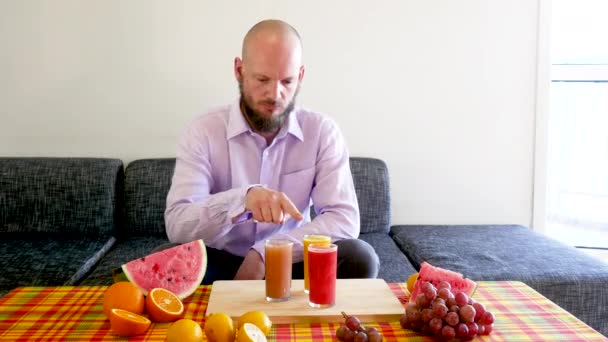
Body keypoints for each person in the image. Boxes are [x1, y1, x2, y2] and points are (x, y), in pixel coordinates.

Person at [164, 19, 379, 285]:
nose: (274, 94)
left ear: (300, 77)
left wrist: (266, 252)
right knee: (163, 260)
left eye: (287, 81)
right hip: (221, 259)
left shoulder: (322, 131)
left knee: (359, 257)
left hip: (293, 258)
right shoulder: (202, 131)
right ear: (239, 71)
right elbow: (178, 223)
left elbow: (343, 219)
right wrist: (241, 200)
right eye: (262, 79)